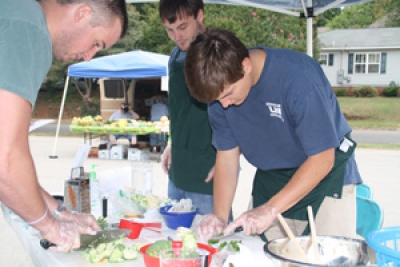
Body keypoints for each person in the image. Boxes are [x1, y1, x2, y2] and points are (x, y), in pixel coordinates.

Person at [184, 29, 363, 242]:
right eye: (217, 100)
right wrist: (220, 217)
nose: (223, 104)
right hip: (272, 179)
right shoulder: (220, 98)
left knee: (325, 258)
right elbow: (226, 159)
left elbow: (323, 159)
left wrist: (270, 209)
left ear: (246, 66)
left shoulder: (298, 79)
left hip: (325, 176)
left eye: (228, 94)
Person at [0, 0, 128, 252]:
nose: (90, 56)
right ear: (82, 13)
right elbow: (5, 160)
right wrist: (50, 227)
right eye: (97, 44)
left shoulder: (15, 12)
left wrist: (60, 212)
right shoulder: (29, 29)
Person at [158, 0, 217, 215]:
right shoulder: (175, 55)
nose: (177, 36)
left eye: (183, 27)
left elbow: (239, 113)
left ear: (199, 16)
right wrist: (173, 143)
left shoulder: (216, 53)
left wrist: (227, 159)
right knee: (176, 240)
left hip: (207, 170)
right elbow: (179, 108)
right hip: (179, 167)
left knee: (210, 242)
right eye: (169, 30)